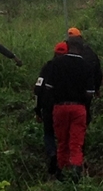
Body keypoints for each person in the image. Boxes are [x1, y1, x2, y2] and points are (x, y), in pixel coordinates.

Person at [39, 39, 97, 181]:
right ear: (81, 49)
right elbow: (90, 92)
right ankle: (76, 170)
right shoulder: (86, 65)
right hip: (78, 109)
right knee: (76, 142)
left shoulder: (56, 64)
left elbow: (48, 88)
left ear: (68, 47)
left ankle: (61, 172)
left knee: (62, 141)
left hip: (60, 107)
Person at [33, 42, 68, 178]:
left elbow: (38, 88)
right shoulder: (68, 69)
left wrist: (37, 110)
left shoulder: (47, 67)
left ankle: (52, 153)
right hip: (62, 106)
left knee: (48, 133)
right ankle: (62, 163)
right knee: (62, 135)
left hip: (47, 106)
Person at [66, 29, 103, 124]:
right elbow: (97, 71)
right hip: (86, 90)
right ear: (80, 38)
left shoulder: (63, 51)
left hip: (66, 93)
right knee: (84, 113)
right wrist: (96, 88)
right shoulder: (89, 52)